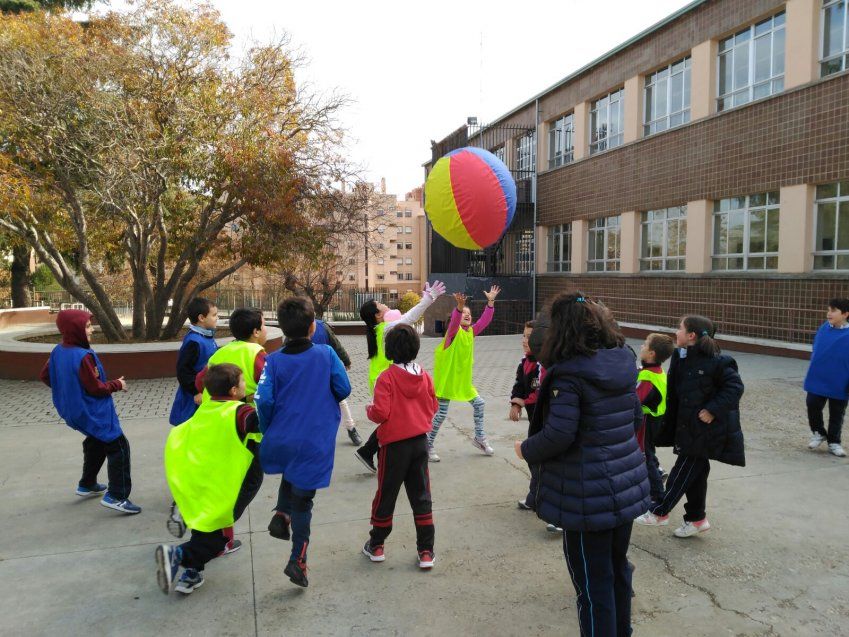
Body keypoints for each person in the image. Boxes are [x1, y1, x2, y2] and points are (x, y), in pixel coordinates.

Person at [514, 292, 649, 636]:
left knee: (592, 585)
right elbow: (635, 418)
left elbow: (559, 434)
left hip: (588, 497)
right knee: (617, 571)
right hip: (625, 487)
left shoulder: (569, 375)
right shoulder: (623, 363)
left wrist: (525, 449)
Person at [255, 297, 351, 588]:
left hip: (283, 437)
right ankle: (298, 559)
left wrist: (269, 429)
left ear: (282, 329)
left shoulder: (272, 361)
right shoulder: (326, 354)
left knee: (291, 470)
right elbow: (343, 388)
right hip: (314, 441)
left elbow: (264, 400)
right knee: (304, 501)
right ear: (312, 327)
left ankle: (281, 513)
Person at [156, 364, 261, 595]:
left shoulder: (206, 408)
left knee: (204, 527)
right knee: (218, 540)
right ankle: (178, 555)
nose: (246, 384)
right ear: (234, 390)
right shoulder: (240, 412)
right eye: (243, 381)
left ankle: (191, 574)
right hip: (228, 485)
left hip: (203, 479)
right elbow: (260, 422)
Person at [636, 315, 745, 538]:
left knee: (683, 471)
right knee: (697, 473)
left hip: (704, 429)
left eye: (680, 328)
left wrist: (712, 410)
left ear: (691, 335)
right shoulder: (681, 356)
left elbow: (735, 387)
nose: (676, 332)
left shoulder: (719, 361)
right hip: (687, 426)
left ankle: (659, 512)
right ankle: (697, 518)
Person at [39, 309, 140, 514]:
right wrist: (117, 384)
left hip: (73, 411)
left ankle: (87, 484)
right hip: (93, 412)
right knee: (119, 446)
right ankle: (117, 496)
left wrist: (68, 391)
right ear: (75, 329)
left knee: (96, 441)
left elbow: (46, 376)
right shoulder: (83, 356)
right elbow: (96, 388)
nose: (92, 330)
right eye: (86, 326)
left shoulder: (58, 351)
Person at [361, 324, 439, 569]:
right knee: (421, 495)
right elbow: (434, 406)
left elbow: (381, 413)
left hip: (393, 447)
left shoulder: (386, 377)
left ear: (389, 350)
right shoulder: (425, 375)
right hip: (420, 443)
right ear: (416, 347)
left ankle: (376, 544)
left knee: (387, 493)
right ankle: (426, 550)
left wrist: (369, 410)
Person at [192, 308, 268, 549]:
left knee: (226, 484)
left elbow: (200, 381)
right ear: (256, 331)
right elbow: (271, 387)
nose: (266, 330)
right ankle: (216, 528)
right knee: (250, 480)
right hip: (245, 430)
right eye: (264, 325)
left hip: (215, 426)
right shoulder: (256, 354)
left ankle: (224, 538)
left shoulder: (221, 352)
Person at [354, 280, 446, 472]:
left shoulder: (379, 329)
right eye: (381, 304)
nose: (385, 304)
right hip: (385, 381)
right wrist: (428, 299)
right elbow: (409, 318)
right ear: (378, 315)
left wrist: (426, 299)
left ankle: (368, 451)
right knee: (391, 419)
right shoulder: (385, 329)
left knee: (391, 418)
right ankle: (372, 452)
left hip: (382, 379)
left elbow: (405, 317)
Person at [428, 286, 500, 460]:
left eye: (469, 313)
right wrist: (459, 307)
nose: (467, 315)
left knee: (479, 404)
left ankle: (479, 438)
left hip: (463, 383)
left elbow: (484, 321)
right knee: (440, 415)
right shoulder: (452, 334)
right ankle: (427, 444)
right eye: (463, 313)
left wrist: (490, 302)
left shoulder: (471, 332)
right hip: (447, 383)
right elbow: (454, 322)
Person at [803, 297, 849, 458]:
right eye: (828, 310)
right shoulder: (823, 328)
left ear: (845, 314)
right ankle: (819, 432)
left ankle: (834, 442)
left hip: (841, 381)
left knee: (837, 414)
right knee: (812, 405)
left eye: (833, 311)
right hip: (818, 378)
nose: (829, 313)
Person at [636, 333, 675, 505]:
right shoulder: (657, 371)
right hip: (656, 419)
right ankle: (658, 472)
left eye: (645, 344)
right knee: (648, 451)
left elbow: (635, 400)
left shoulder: (647, 377)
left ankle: (657, 495)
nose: (641, 346)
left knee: (644, 456)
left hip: (647, 420)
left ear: (652, 353)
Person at [510, 321, 546, 515]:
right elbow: (519, 386)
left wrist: (523, 401)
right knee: (535, 460)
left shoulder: (543, 365)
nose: (525, 340)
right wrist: (515, 403)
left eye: (530, 337)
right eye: (524, 336)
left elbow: (539, 393)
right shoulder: (524, 362)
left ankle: (541, 499)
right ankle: (535, 497)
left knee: (538, 458)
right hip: (535, 421)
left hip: (546, 421)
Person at [310, 318, 362, 446]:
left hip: (326, 371)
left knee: (340, 399)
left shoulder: (322, 327)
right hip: (309, 374)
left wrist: (345, 360)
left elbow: (336, 344)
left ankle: (351, 428)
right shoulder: (296, 328)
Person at [168, 297, 219, 426]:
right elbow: (183, 371)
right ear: (201, 318)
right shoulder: (194, 342)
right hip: (195, 397)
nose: (217, 318)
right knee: (191, 425)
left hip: (207, 392)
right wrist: (195, 392)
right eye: (214, 315)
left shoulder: (207, 337)